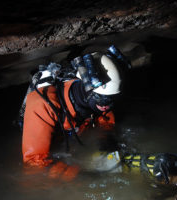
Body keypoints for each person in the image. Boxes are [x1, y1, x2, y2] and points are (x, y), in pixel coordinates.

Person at [21, 45, 129, 181]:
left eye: (113, 99)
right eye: (103, 100)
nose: (107, 105)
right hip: (51, 134)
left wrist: (106, 141)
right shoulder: (42, 105)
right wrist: (80, 176)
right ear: (87, 89)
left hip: (76, 128)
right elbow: (34, 162)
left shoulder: (100, 99)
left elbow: (106, 121)